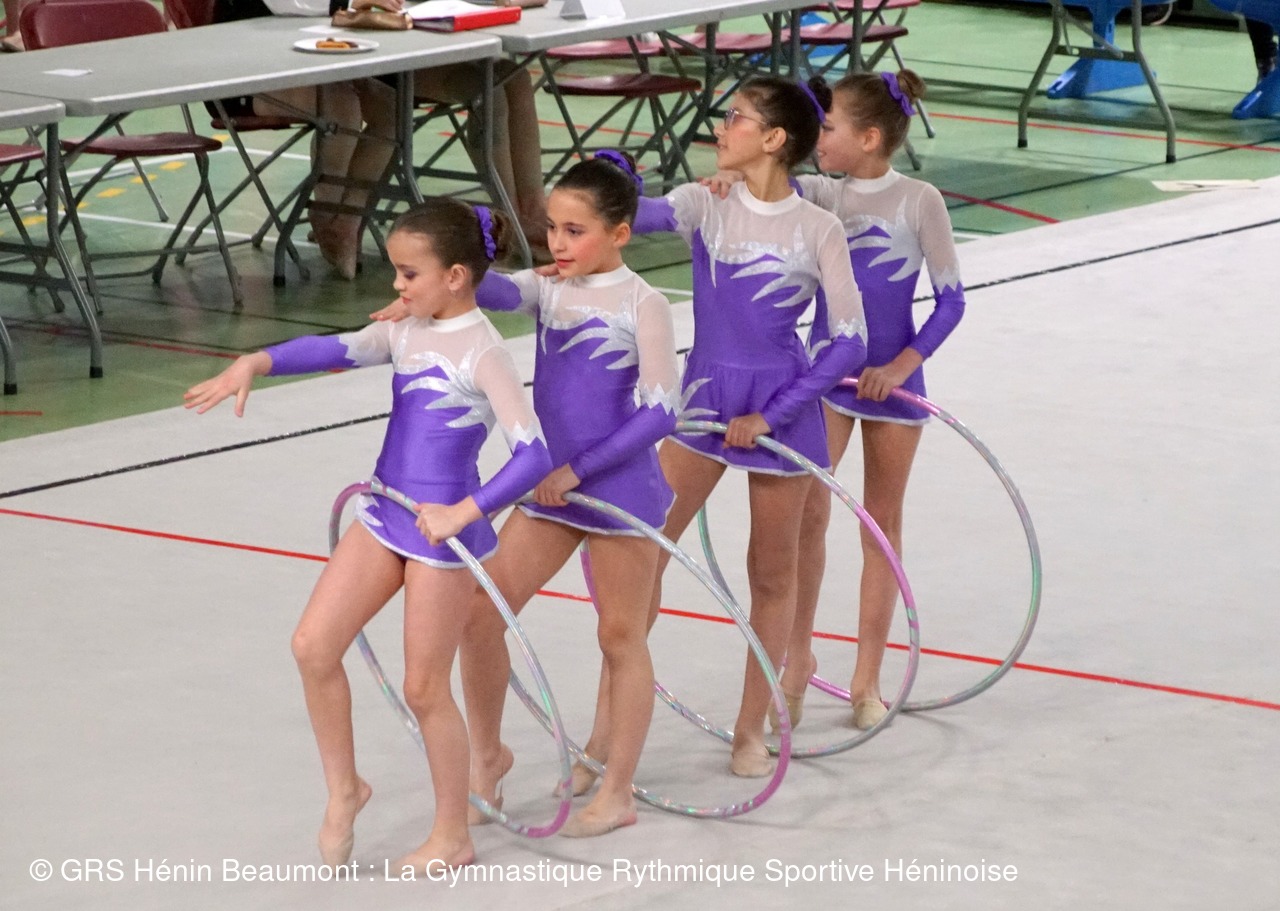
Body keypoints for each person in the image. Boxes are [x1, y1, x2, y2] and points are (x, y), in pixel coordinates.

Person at [183, 198, 552, 872]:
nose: (396, 286)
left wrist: (464, 513)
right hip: (385, 512)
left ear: (456, 277)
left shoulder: (485, 353)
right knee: (312, 645)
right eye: (396, 272)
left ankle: (453, 834)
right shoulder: (406, 330)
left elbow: (533, 456)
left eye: (409, 274)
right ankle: (346, 787)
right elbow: (337, 348)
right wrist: (255, 362)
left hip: (442, 534)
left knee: (424, 688)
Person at [374, 152, 679, 837]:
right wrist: (420, 294)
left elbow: (663, 411)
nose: (557, 244)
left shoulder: (644, 304)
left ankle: (619, 789)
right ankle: (488, 757)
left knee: (620, 634)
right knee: (481, 614)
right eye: (551, 229)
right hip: (551, 490)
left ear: (619, 234)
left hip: (619, 491)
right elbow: (482, 288)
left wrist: (580, 468)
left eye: (575, 231)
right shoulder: (549, 289)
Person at [623, 76, 868, 778]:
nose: (720, 126)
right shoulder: (705, 204)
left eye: (735, 117)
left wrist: (775, 413)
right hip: (705, 397)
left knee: (771, 572)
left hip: (780, 406)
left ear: (774, 138)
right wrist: (606, 177)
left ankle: (751, 728)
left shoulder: (817, 228)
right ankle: (613, 726)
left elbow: (850, 341)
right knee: (641, 553)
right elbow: (627, 214)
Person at [761, 70, 965, 732]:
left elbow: (951, 300)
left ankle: (867, 679)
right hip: (830, 377)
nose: (818, 139)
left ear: (869, 137)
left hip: (894, 385)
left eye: (828, 128)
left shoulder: (919, 201)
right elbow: (768, 180)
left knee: (880, 524)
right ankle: (796, 661)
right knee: (807, 517)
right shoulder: (822, 194)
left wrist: (902, 366)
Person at [214, 0, 397, 279]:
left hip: (318, 57)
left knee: (391, 110)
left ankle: (350, 217)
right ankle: (327, 212)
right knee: (341, 108)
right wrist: (349, 2)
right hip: (242, 70)